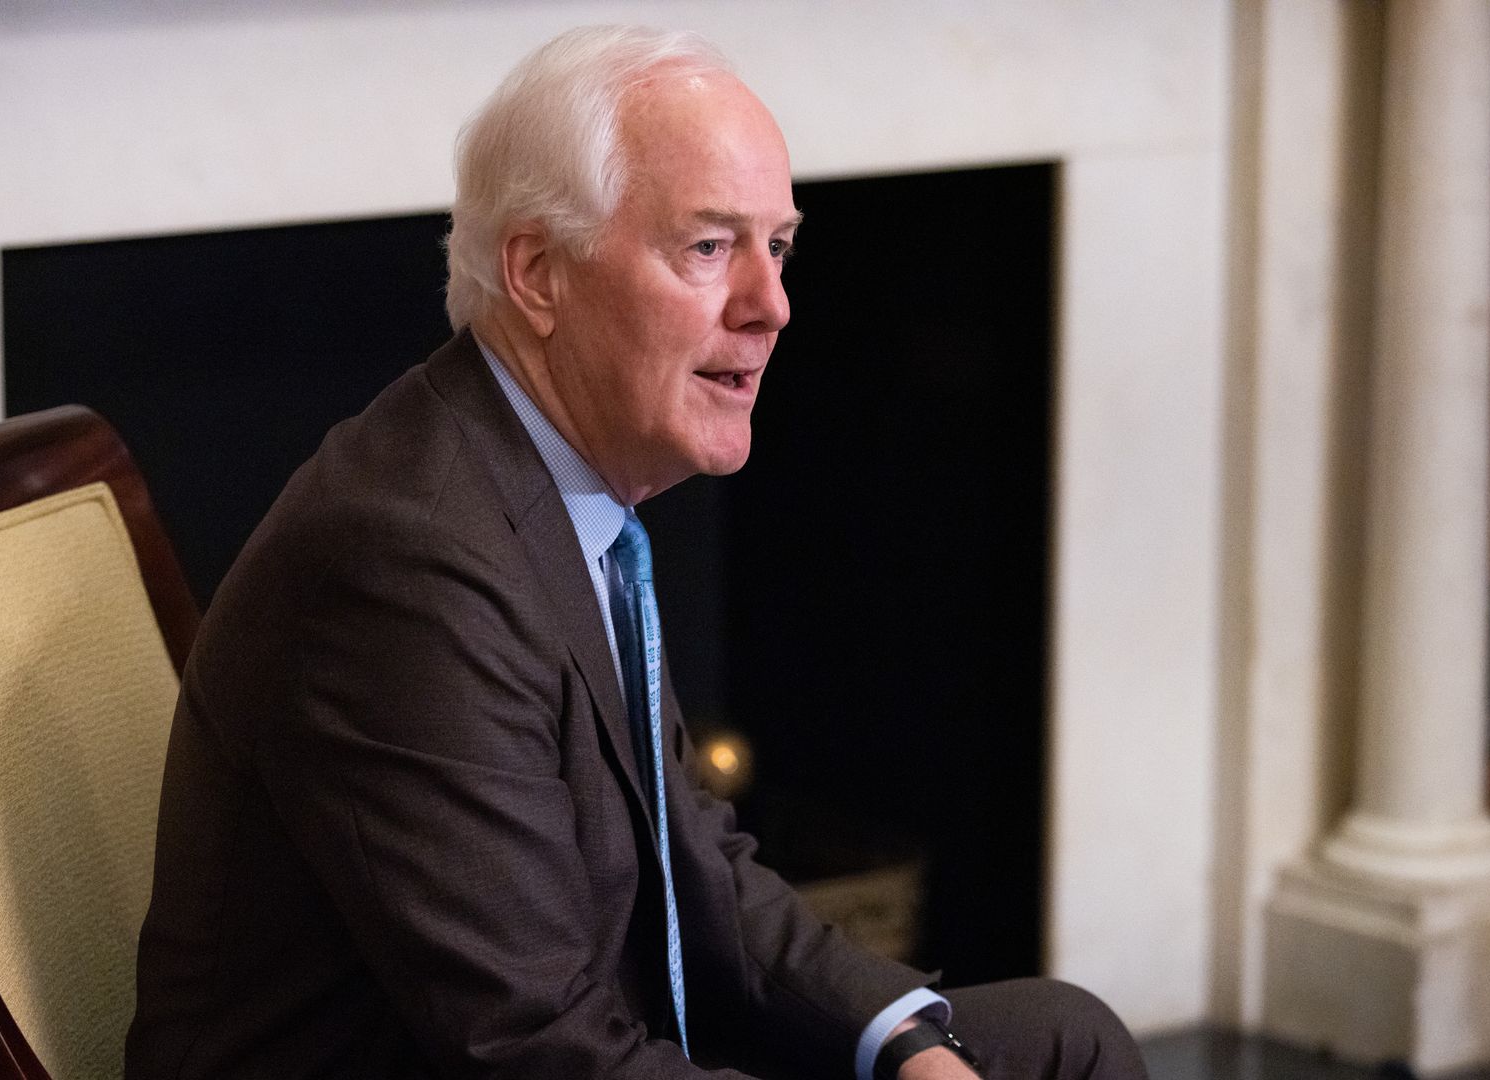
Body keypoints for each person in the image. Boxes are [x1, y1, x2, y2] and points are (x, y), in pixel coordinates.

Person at [126, 25, 1147, 1080]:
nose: (773, 306)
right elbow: (534, 1048)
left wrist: (905, 1045)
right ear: (536, 272)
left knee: (1060, 1039)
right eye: (710, 248)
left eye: (779, 246)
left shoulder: (564, 497)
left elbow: (693, 865)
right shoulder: (408, 561)